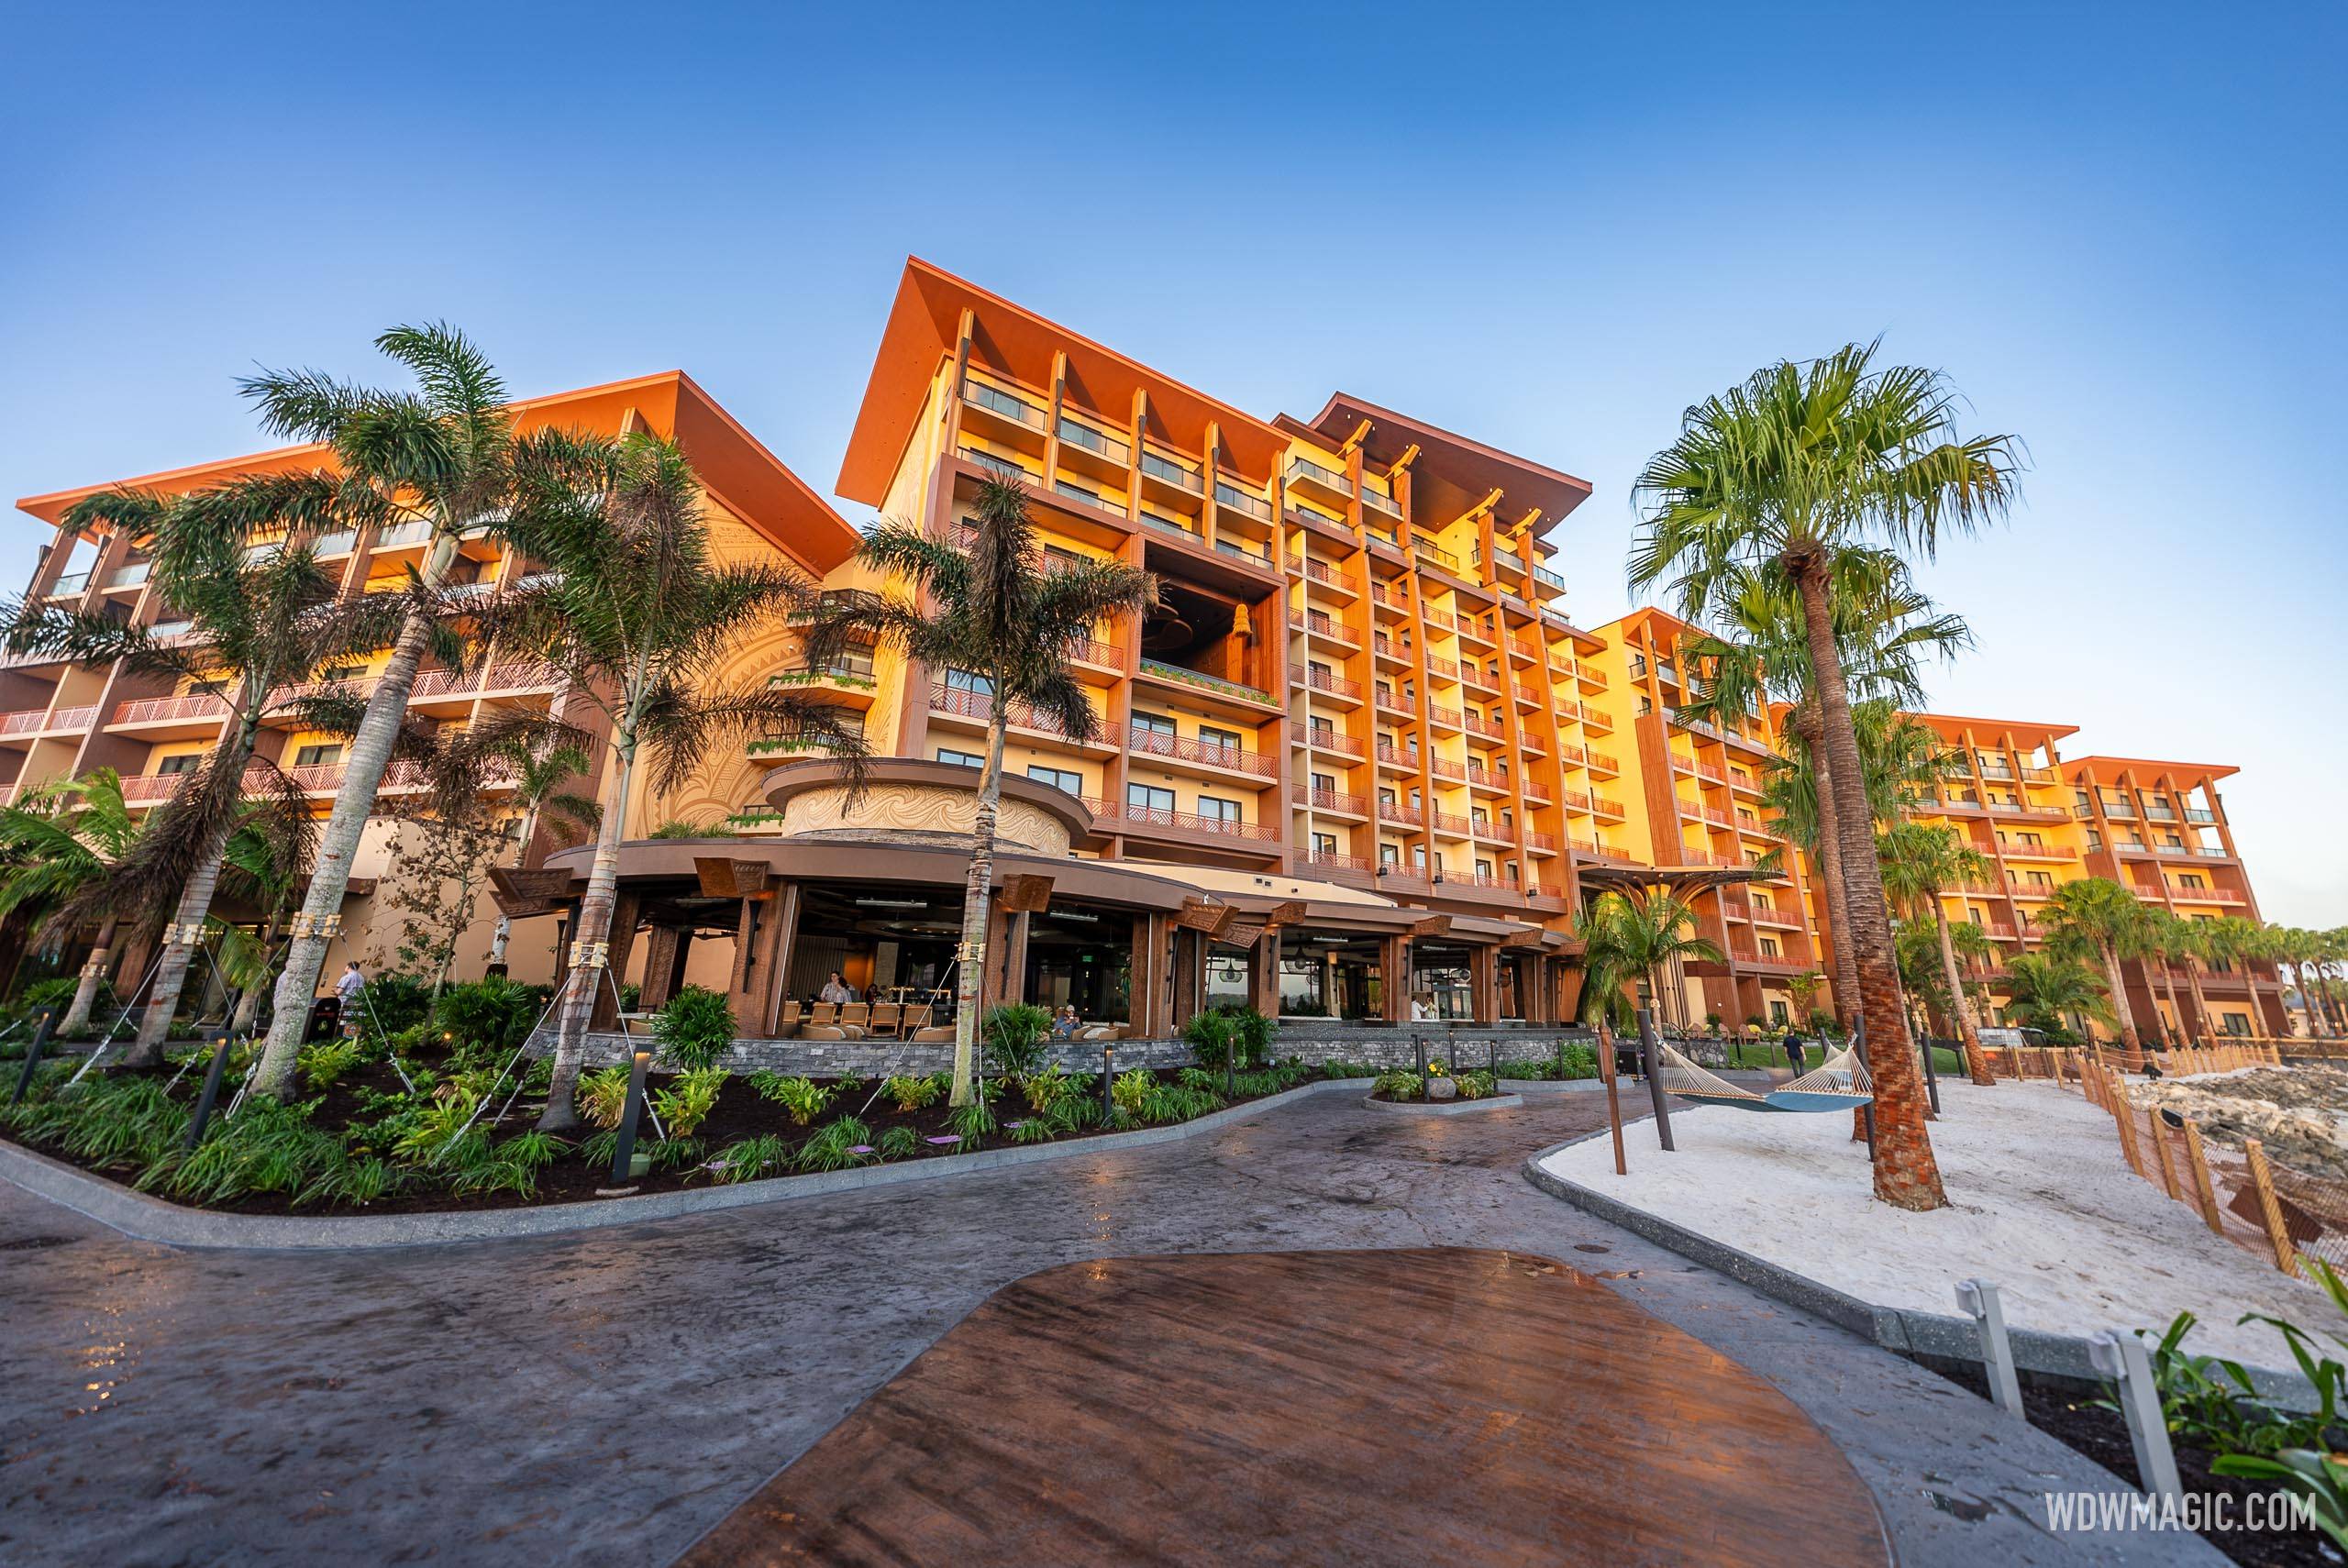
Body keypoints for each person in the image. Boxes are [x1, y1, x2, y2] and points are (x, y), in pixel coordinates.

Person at [335, 961, 366, 1037]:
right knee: (354, 1025)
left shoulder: (346, 977)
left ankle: (340, 1038)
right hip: (357, 1005)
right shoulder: (362, 978)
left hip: (345, 1005)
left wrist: (335, 990)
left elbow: (339, 992)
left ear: (348, 967)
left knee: (342, 1026)